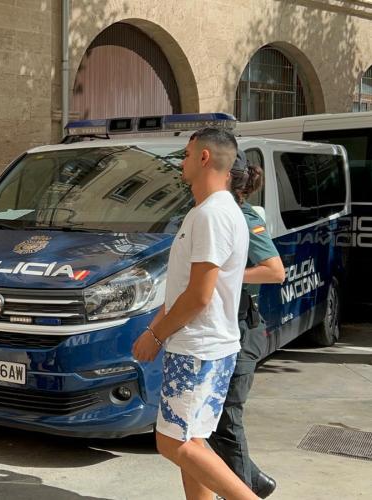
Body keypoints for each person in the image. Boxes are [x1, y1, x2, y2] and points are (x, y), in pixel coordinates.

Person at [132, 128, 258, 500]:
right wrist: (157, 325)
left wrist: (155, 336)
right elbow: (187, 288)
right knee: (192, 441)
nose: (181, 161)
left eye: (186, 154)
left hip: (197, 349)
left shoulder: (212, 214)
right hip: (205, 346)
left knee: (173, 443)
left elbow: (199, 296)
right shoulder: (213, 211)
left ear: (204, 157)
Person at [207, 151, 285, 498]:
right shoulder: (212, 214)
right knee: (209, 424)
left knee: (227, 420)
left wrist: (223, 276)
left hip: (243, 330)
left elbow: (274, 271)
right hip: (221, 329)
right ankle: (254, 483)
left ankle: (244, 491)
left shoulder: (242, 216)